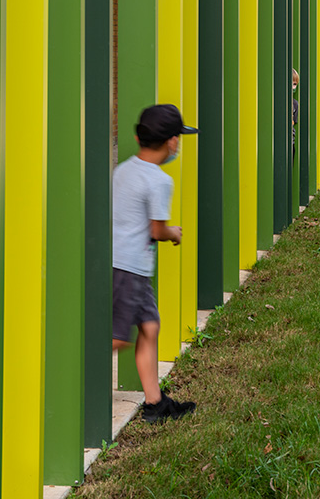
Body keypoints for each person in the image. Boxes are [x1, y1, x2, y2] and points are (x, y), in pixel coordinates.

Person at [113, 104, 198, 424]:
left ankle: (155, 403)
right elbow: (156, 229)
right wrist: (173, 233)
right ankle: (65, 378)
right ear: (172, 142)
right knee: (118, 337)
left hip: (129, 263)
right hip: (128, 266)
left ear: (138, 137)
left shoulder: (123, 169)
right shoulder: (159, 181)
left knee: (149, 326)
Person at [292, 69, 299, 158]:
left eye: (294, 84)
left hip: (291, 142)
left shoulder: (295, 104)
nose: (293, 87)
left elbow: (294, 121)